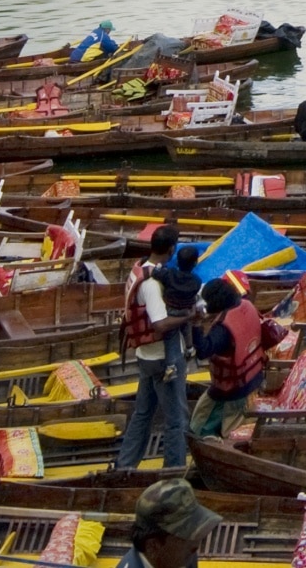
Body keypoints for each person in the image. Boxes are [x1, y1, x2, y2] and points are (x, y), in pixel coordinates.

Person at [114, 226, 192, 470]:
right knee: (176, 420)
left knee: (143, 413)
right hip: (161, 359)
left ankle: (125, 466)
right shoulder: (152, 284)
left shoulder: (139, 268)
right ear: (171, 249)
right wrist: (188, 316)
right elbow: (159, 324)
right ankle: (174, 471)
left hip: (144, 356)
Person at [188, 276, 287, 438]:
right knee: (202, 413)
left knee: (215, 426)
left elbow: (203, 351)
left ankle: (215, 448)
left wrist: (196, 324)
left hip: (234, 388)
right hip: (253, 375)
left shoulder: (224, 330)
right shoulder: (246, 305)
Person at [117, 477, 222, 568]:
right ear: (153, 546)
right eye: (186, 533)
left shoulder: (183, 555)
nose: (196, 543)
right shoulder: (183, 555)